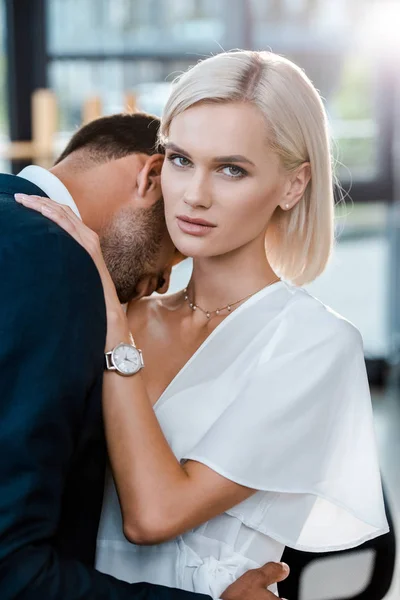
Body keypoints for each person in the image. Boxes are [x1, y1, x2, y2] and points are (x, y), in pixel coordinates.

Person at [15, 50, 389, 599]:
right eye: (182, 160)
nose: (195, 195)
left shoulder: (315, 344)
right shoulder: (122, 310)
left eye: (232, 169)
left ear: (293, 185)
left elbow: (153, 515)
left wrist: (113, 328)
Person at [0, 112, 288, 600]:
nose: (163, 284)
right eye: (176, 252)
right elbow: (11, 571)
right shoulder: (55, 261)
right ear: (154, 177)